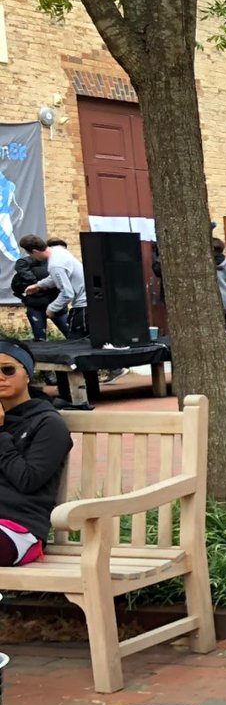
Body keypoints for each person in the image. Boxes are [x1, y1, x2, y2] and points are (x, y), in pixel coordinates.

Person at [0, 339, 72, 567]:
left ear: (28, 374)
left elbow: (28, 480)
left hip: (18, 531)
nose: (0, 377)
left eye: (8, 370)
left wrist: (0, 434)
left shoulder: (49, 424)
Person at [21, 235, 87, 338]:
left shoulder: (55, 264)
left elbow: (67, 294)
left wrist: (51, 308)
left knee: (76, 342)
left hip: (83, 306)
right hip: (88, 302)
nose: (32, 257)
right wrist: (39, 285)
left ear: (35, 252)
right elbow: (58, 276)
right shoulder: (58, 251)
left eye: (30, 254)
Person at [11, 243, 69, 341]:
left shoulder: (54, 267)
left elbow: (15, 288)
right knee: (73, 337)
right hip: (43, 307)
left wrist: (26, 299)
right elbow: (16, 287)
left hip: (49, 307)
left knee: (41, 340)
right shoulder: (55, 267)